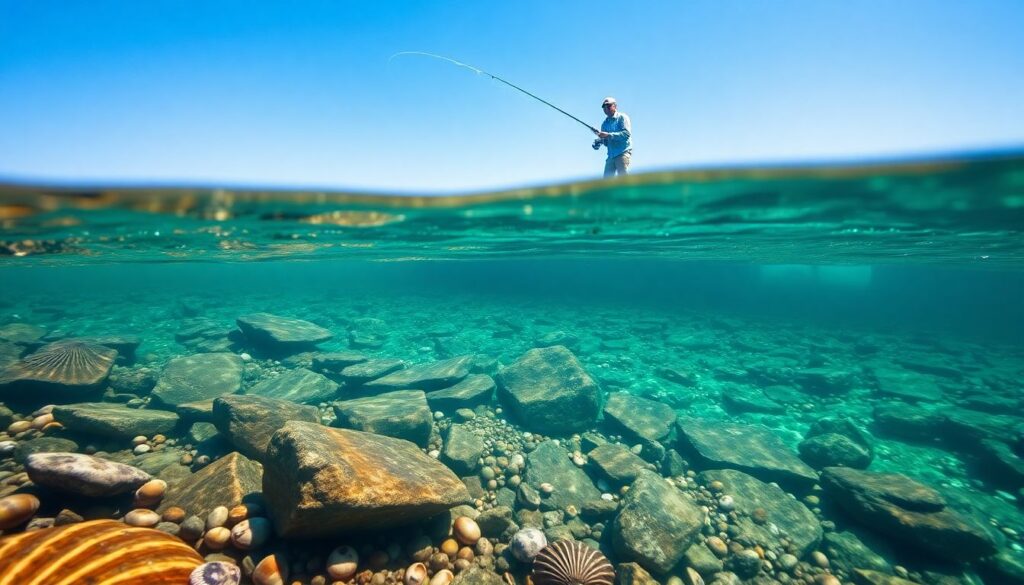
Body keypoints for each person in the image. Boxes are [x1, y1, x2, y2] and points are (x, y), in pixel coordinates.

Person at [593, 97, 632, 177]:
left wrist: (608, 135)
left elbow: (626, 134)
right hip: (611, 156)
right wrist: (600, 140)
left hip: (622, 153)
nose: (606, 108)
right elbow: (607, 143)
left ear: (615, 106)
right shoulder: (604, 124)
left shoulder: (622, 117)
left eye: (608, 105)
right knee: (606, 183)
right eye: (604, 106)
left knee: (624, 181)